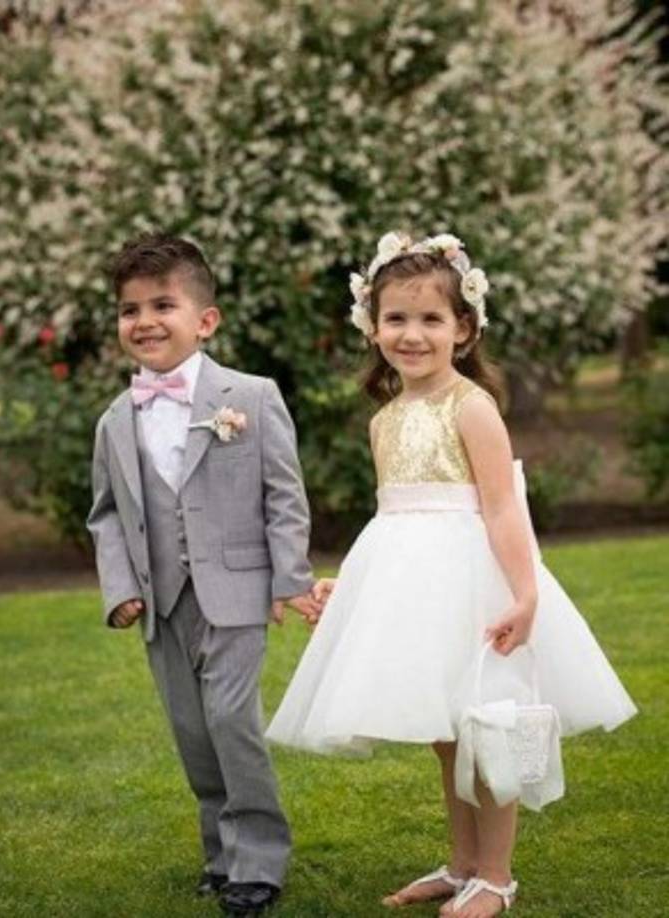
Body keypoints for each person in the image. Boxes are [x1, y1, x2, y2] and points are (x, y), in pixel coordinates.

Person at [266, 232, 637, 916]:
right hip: (412, 592)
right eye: (396, 319)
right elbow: (395, 519)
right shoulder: (385, 420)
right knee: (447, 735)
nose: (412, 334)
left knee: (487, 724)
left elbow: (501, 508)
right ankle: (461, 861)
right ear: (372, 328)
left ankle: (495, 876)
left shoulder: (472, 408)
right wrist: (348, 586)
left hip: (476, 584)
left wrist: (526, 596)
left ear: (463, 329)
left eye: (431, 319)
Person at [87, 233, 320, 915]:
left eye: (163, 303)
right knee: (192, 732)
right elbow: (105, 515)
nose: (145, 321)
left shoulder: (248, 395)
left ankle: (260, 860)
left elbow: (284, 494)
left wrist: (290, 577)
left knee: (231, 721)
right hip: (161, 603)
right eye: (130, 309)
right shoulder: (113, 422)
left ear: (205, 319)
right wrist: (121, 587)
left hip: (238, 590)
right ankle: (221, 856)